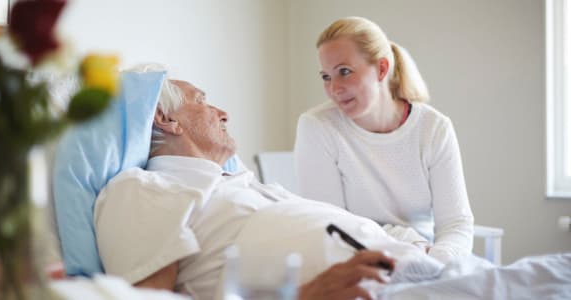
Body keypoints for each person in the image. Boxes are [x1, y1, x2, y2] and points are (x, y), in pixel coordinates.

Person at [93, 66, 437, 300]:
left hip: (420, 275)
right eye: (200, 101)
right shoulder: (144, 189)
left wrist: (411, 243)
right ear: (164, 119)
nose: (223, 113)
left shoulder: (247, 187)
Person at [294, 16, 474, 264]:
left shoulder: (434, 128)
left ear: (381, 68)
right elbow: (332, 223)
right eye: (326, 77)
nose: (334, 88)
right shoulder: (317, 126)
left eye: (344, 72)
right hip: (355, 262)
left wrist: (437, 263)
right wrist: (410, 243)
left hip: (428, 261)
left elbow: (456, 223)